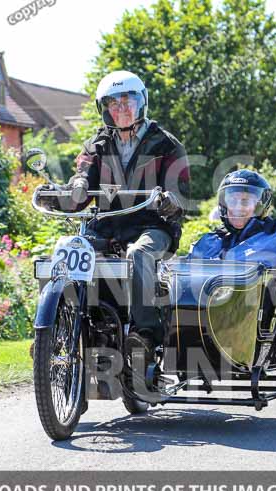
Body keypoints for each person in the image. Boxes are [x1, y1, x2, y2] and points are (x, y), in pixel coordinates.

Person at [37, 70, 190, 354]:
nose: (121, 109)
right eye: (113, 104)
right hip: (107, 226)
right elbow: (82, 180)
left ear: (141, 102)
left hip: (152, 226)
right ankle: (52, 334)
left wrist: (170, 201)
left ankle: (144, 334)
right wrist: (71, 190)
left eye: (127, 101)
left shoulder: (167, 144)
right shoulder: (97, 144)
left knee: (139, 255)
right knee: (64, 249)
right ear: (105, 109)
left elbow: (181, 194)